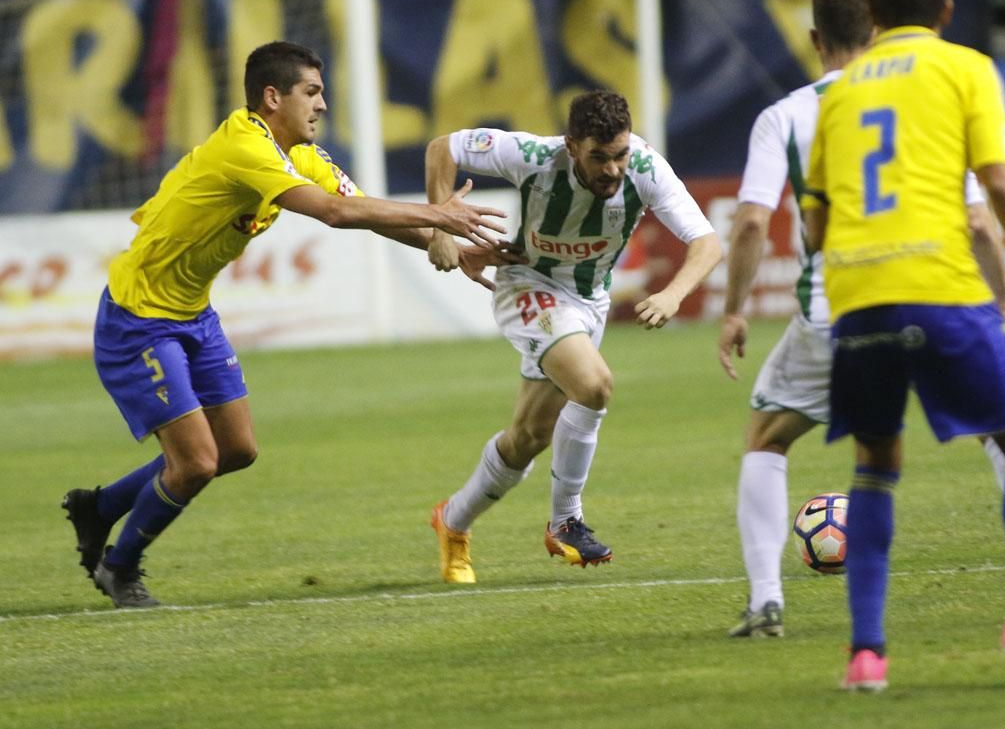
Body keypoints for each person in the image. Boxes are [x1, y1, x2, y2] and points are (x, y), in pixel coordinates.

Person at [63, 41, 511, 609]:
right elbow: (335, 213)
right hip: (138, 318)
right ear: (273, 97)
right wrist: (440, 214)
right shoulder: (246, 146)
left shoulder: (299, 153)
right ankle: (118, 568)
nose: (322, 105)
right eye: (312, 92)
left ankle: (98, 508)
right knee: (196, 462)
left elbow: (363, 208)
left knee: (237, 450)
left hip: (192, 312)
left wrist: (448, 244)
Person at [720, 0, 1005, 638]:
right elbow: (980, 222)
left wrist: (734, 310)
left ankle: (768, 602)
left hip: (836, 310)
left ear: (814, 39)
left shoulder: (784, 116)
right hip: (936, 296)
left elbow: (753, 222)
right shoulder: (925, 95)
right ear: (876, 27)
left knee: (770, 438)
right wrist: (1003, 295)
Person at [802, 0, 1005, 689]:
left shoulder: (836, 94)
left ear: (869, 10)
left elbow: (813, 225)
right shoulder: (966, 68)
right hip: (941, 289)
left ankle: (867, 656)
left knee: (875, 465)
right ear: (945, 7)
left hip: (857, 303)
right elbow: (999, 189)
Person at [424, 90, 722, 583]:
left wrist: (673, 295)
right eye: (598, 157)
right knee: (595, 385)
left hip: (588, 303)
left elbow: (707, 243)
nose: (612, 169)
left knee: (527, 439)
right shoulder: (535, 156)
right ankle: (566, 521)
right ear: (570, 146)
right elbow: (442, 147)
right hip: (530, 286)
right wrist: (439, 229)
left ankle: (452, 522)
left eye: (619, 154)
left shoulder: (645, 167)